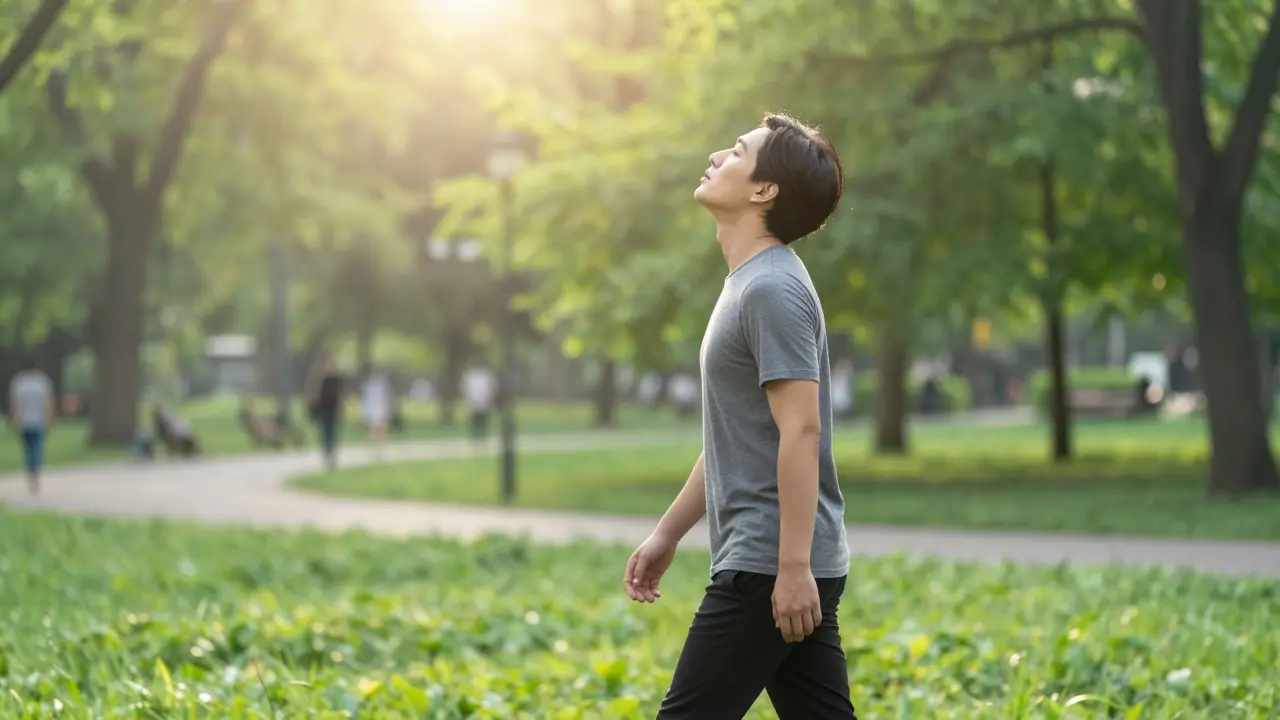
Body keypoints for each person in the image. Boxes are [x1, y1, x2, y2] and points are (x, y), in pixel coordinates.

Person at [623, 114, 857, 719]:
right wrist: (668, 532)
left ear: (764, 190)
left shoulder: (770, 289)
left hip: (767, 563)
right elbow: (734, 436)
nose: (717, 154)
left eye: (737, 151)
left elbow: (802, 430)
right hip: (774, 560)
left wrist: (793, 567)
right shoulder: (749, 284)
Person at [7, 356, 55, 495]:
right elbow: (48, 403)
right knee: (37, 449)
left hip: (24, 422)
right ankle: (35, 474)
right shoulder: (42, 381)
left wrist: (15, 421)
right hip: (39, 422)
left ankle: (31, 472)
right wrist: (50, 421)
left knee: (28, 450)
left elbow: (14, 404)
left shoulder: (19, 382)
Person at [306, 352, 345, 470]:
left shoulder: (336, 377)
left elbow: (341, 393)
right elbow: (313, 391)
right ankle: (327, 452)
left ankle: (331, 453)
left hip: (334, 408)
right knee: (326, 431)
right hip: (323, 408)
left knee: (333, 431)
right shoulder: (320, 377)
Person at [361, 365, 394, 459]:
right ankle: (375, 449)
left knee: (382, 429)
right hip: (374, 409)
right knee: (375, 430)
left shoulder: (383, 385)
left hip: (380, 408)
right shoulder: (369, 384)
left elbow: (387, 398)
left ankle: (380, 449)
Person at [460, 364, 497, 444]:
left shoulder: (485, 374)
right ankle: (476, 436)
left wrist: (489, 396)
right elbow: (466, 388)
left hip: (484, 399)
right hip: (473, 400)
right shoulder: (470, 375)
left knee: (483, 418)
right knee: (475, 419)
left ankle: (482, 436)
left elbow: (491, 386)